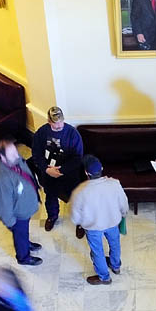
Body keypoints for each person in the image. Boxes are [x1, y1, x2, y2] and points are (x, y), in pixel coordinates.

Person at [70, 155, 129, 285]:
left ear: (86, 172)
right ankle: (116, 266)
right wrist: (123, 214)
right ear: (102, 168)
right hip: (113, 223)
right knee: (115, 244)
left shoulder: (80, 191)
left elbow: (75, 218)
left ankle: (104, 277)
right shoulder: (114, 183)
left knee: (97, 251)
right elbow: (124, 204)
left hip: (93, 227)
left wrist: (81, 223)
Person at [31, 106, 84, 235]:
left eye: (61, 122)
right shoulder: (41, 133)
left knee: (77, 199)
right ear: (49, 121)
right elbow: (36, 154)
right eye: (55, 124)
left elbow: (78, 157)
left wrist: (62, 170)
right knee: (50, 197)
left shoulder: (72, 133)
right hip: (49, 173)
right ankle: (52, 216)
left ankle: (81, 222)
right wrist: (46, 169)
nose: (59, 125)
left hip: (69, 174)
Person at [0, 138, 42, 266]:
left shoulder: (13, 160)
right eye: (12, 154)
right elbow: (1, 206)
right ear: (2, 156)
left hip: (23, 209)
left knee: (23, 233)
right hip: (18, 216)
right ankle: (23, 257)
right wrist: (13, 224)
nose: (17, 155)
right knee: (20, 235)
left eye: (15, 152)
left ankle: (26, 242)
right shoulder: (1, 180)